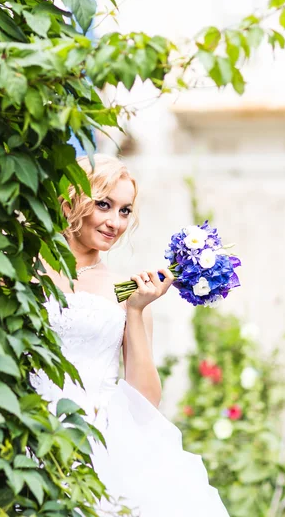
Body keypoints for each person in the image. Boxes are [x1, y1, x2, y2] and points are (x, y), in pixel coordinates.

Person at [33, 154, 230, 517]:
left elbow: (146, 400)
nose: (115, 222)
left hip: (101, 439)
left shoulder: (123, 291)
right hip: (28, 422)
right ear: (73, 199)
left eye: (125, 211)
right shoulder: (26, 269)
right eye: (104, 205)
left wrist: (137, 311)